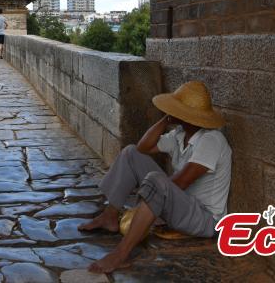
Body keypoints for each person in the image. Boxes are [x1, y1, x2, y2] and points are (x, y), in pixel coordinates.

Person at [79, 80, 232, 273]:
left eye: (177, 109)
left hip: (205, 219)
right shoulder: (179, 135)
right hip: (180, 205)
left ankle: (121, 254)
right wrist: (166, 120)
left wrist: (147, 202)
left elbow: (182, 182)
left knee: (156, 181)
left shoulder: (211, 140)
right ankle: (110, 215)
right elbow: (144, 147)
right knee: (131, 153)